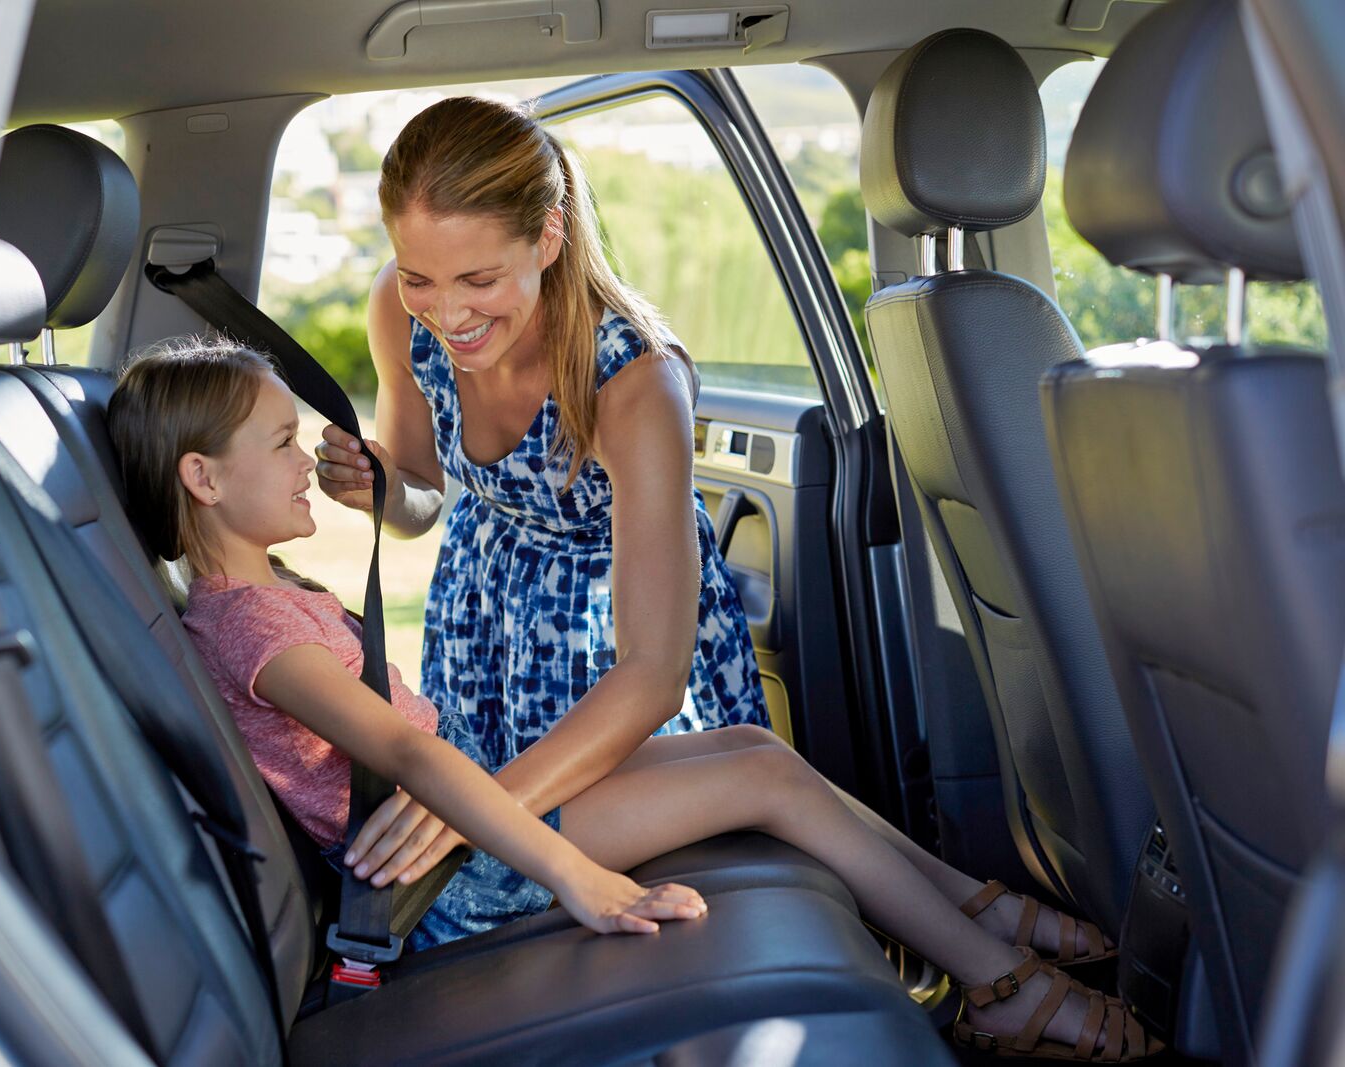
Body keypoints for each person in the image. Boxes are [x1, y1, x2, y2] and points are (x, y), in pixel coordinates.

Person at [107, 338, 1158, 1060]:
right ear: (202, 479)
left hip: (458, 830)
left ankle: (972, 912)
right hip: (448, 878)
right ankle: (997, 978)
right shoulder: (253, 632)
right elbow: (414, 759)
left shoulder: (258, 596)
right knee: (751, 770)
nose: (310, 461)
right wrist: (582, 882)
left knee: (749, 739)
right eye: (282, 444)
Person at [312, 97, 768, 862]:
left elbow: (654, 672)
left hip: (608, 666)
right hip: (479, 626)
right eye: (421, 276)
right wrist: (382, 488)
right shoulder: (399, 311)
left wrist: (471, 809)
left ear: (548, 235)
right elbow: (422, 492)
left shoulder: (632, 378)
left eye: (478, 278)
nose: (448, 313)